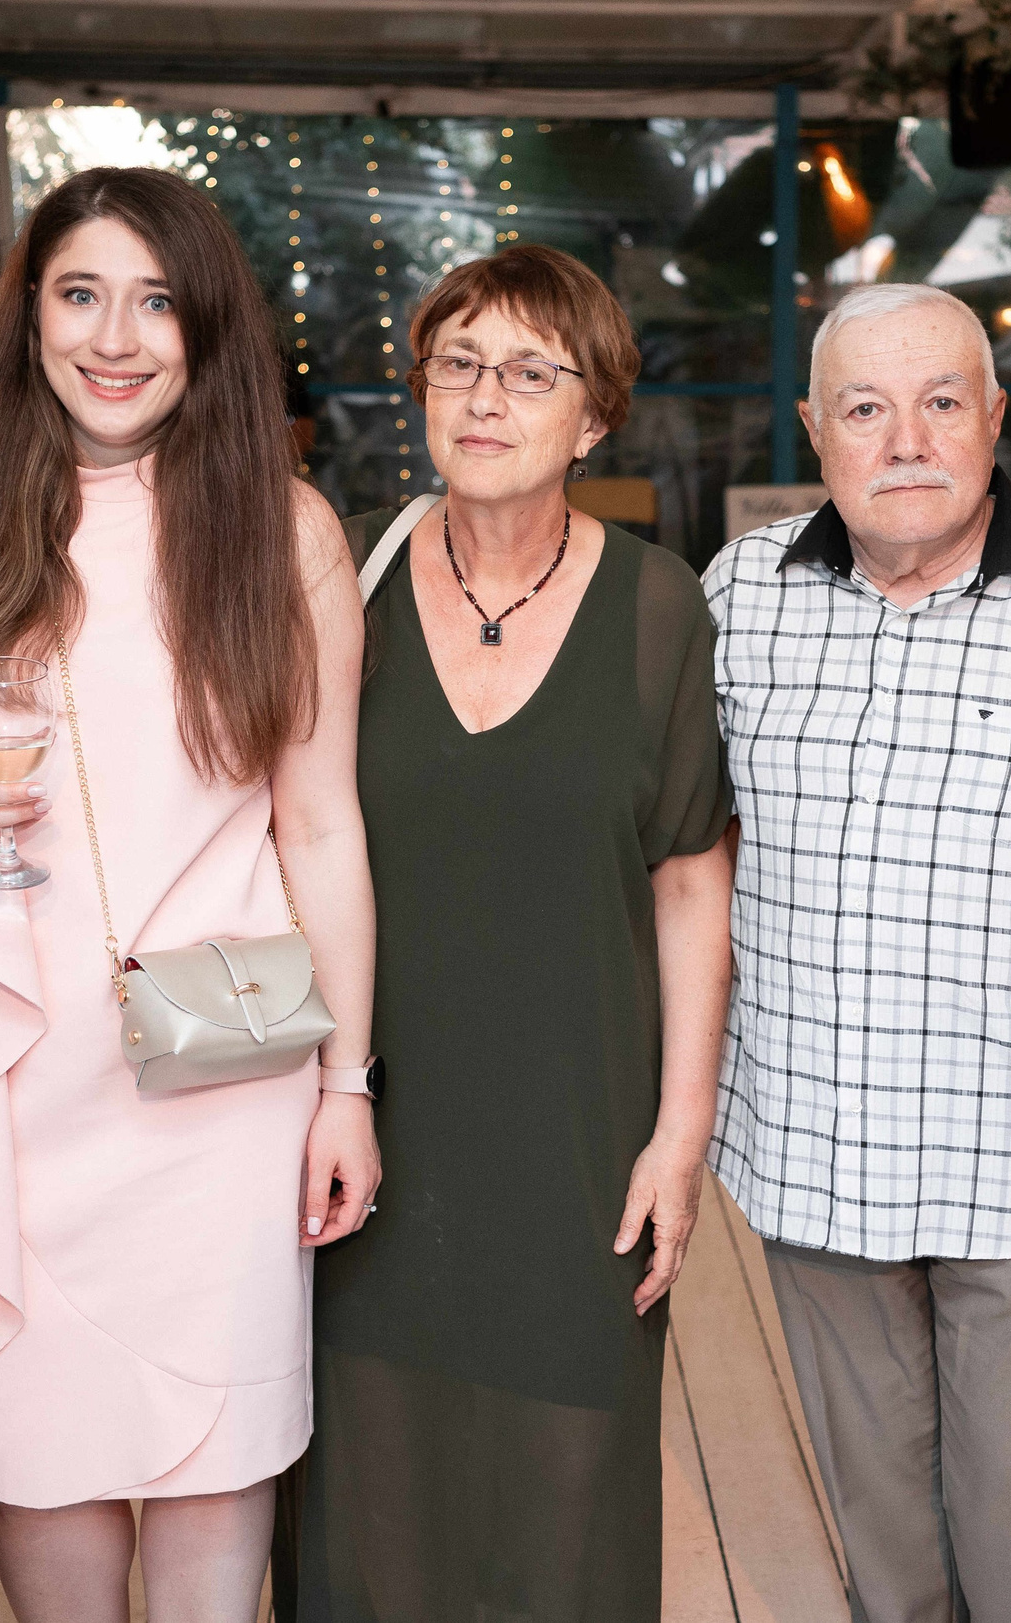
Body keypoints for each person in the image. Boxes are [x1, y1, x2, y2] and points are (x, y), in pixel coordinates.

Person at [0, 166, 379, 1623]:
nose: (117, 335)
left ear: (207, 328)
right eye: (82, 291)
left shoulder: (283, 531)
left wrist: (348, 1081)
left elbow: (324, 824)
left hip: (218, 1088)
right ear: (28, 311)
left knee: (218, 1523)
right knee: (44, 1498)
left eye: (158, 300)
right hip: (12, 1076)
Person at [703, 282, 1011, 1621]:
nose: (903, 438)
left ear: (994, 419)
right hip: (817, 1148)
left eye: (940, 402)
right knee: (887, 1554)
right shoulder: (742, 596)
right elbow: (685, 851)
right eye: (865, 408)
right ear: (814, 429)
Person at [294, 244, 733, 1623]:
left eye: (532, 371)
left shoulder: (660, 608)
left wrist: (679, 1133)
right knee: (367, 1506)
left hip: (577, 1140)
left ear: (594, 414)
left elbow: (689, 883)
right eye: (460, 364)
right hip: (373, 1126)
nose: (487, 398)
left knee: (568, 1509)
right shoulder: (343, 591)